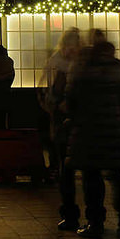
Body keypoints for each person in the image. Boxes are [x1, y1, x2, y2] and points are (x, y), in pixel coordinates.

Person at [60, 29, 120, 239]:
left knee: (91, 176)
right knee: (116, 176)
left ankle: (95, 222)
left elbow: (71, 97)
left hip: (88, 129)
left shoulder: (82, 65)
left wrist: (69, 116)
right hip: (112, 127)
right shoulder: (116, 66)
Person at [42, 28, 81, 179]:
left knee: (60, 137)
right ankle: (62, 167)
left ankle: (59, 167)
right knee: (61, 138)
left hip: (63, 103)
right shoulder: (72, 62)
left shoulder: (57, 59)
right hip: (63, 103)